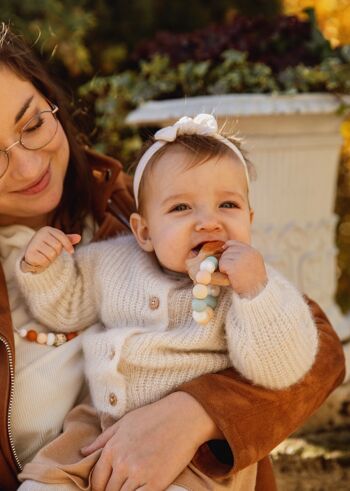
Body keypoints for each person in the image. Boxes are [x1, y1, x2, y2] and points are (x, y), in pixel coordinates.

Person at [0, 23, 345, 491]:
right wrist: (43, 274)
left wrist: (197, 412)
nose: (28, 165)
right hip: (82, 448)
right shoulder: (121, 247)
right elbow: (64, 300)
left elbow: (318, 349)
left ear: (52, 102)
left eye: (34, 124)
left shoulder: (125, 208)